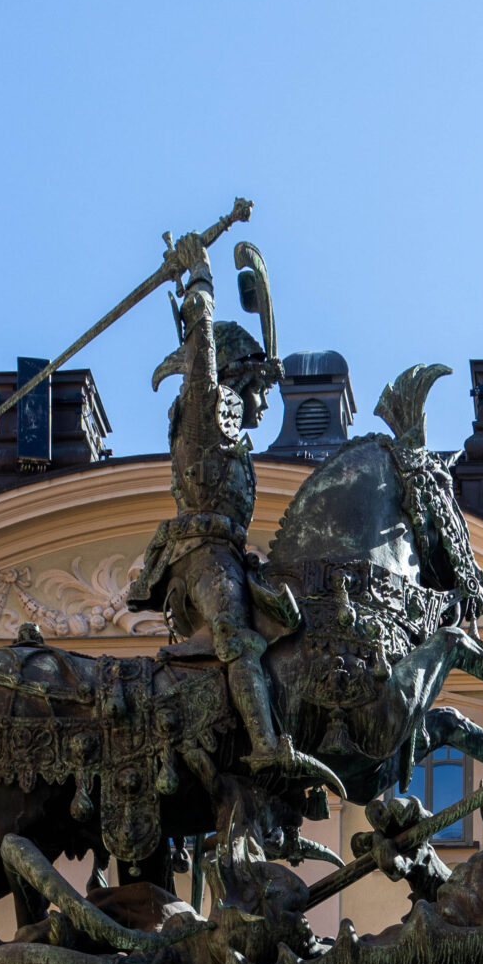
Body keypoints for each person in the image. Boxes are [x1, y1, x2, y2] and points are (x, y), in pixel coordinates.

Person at [128, 236, 305, 774]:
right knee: (239, 640)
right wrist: (201, 286)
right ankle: (266, 747)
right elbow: (204, 359)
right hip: (200, 555)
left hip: (227, 555)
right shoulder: (206, 409)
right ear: (235, 380)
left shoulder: (231, 438)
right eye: (257, 387)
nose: (264, 402)